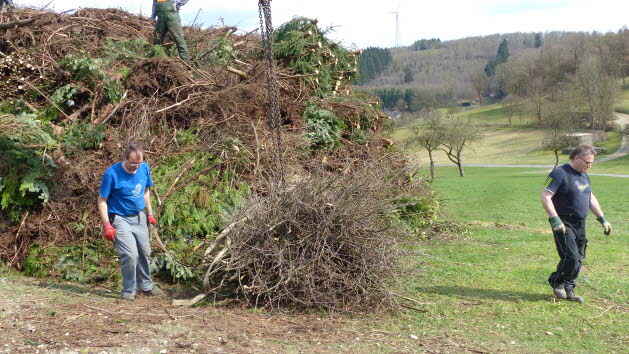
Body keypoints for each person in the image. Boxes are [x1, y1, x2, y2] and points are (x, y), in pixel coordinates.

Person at [540, 145, 612, 303]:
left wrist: (602, 219)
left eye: (592, 163)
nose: (590, 166)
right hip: (564, 222)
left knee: (579, 257)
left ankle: (569, 288)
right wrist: (555, 219)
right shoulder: (560, 173)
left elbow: (590, 198)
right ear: (577, 158)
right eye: (588, 162)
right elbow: (545, 196)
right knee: (570, 256)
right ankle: (557, 281)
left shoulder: (584, 176)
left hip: (580, 223)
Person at [98, 141, 164, 301]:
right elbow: (102, 200)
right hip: (120, 218)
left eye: (139, 163)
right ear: (124, 158)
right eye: (133, 163)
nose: (136, 167)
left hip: (139, 216)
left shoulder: (144, 168)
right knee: (130, 254)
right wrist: (107, 225)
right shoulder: (111, 174)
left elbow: (146, 191)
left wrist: (150, 213)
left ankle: (146, 286)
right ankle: (128, 291)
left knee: (144, 252)